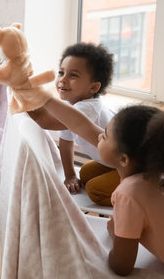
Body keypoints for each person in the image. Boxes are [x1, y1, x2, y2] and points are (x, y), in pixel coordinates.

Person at [38, 97, 164, 275]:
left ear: (123, 159)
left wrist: (115, 234)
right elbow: (81, 125)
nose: (98, 136)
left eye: (104, 135)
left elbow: (121, 266)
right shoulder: (159, 175)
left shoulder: (129, 194)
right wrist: (42, 96)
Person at [28, 43, 118, 206]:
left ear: (94, 87)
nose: (62, 79)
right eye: (61, 72)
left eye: (73, 75)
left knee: (94, 189)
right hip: (115, 163)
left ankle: (144, 196)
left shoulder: (87, 108)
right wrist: (69, 175)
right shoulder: (71, 107)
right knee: (85, 172)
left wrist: (20, 88)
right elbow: (65, 142)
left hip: (135, 168)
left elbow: (45, 120)